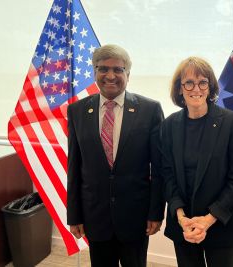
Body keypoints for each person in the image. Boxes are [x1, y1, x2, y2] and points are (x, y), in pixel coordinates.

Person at [67, 44, 165, 267]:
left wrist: (156, 212)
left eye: (118, 70)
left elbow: (158, 169)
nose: (110, 75)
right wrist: (74, 216)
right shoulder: (77, 111)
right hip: (95, 217)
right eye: (103, 69)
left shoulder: (150, 110)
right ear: (94, 73)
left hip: (136, 218)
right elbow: (74, 166)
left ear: (128, 75)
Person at [160, 56, 233, 267]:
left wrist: (207, 221)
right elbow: (167, 174)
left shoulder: (230, 122)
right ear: (180, 89)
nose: (195, 88)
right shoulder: (170, 125)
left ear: (210, 87)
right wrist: (182, 218)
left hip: (221, 226)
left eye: (202, 82)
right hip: (185, 227)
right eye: (188, 82)